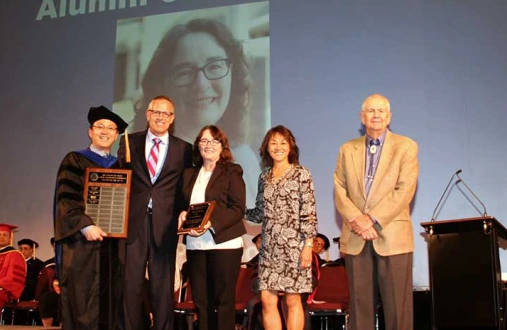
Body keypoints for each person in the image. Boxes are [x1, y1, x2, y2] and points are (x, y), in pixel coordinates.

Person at [131, 18, 261, 208]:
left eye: (215, 66)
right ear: (163, 83)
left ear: (233, 75)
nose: (201, 85)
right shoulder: (143, 160)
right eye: (184, 72)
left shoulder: (244, 159)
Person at [334, 93, 419, 330]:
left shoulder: (406, 146)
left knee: (397, 311)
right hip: (356, 237)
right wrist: (357, 221)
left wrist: (370, 219)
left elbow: (404, 190)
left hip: (393, 237)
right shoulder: (346, 149)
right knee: (360, 309)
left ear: (389, 116)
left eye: (381, 111)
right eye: (370, 111)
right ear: (362, 117)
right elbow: (340, 189)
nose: (376, 116)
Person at [117, 95, 193, 330]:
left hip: (166, 224)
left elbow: (185, 188)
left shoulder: (184, 148)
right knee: (130, 284)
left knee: (162, 285)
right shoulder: (129, 141)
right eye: (156, 112)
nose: (161, 117)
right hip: (133, 222)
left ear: (172, 118)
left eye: (166, 114)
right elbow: (121, 180)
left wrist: (184, 212)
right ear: (147, 114)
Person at [53, 105, 128, 330]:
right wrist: (86, 225)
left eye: (111, 128)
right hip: (82, 246)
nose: (105, 131)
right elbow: (65, 199)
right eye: (100, 127)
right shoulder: (74, 160)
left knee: (111, 301)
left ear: (116, 135)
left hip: (112, 246)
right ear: (90, 131)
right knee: (83, 301)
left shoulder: (120, 166)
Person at [245, 125, 318, 330]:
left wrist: (308, 246)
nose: (278, 147)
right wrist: (235, 209)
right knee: (268, 301)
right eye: (273, 143)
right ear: (267, 147)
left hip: (295, 247)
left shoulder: (302, 174)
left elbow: (309, 212)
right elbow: (259, 213)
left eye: (283, 143)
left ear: (290, 147)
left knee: (293, 301)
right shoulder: (264, 177)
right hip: (269, 249)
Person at [178, 125, 246, 330]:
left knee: (223, 303)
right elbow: (183, 204)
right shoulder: (189, 173)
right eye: (204, 141)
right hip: (195, 246)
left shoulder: (232, 171)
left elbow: (237, 209)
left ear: (222, 146)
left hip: (225, 245)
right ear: (197, 145)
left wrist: (211, 224)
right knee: (201, 303)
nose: (209, 145)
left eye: (214, 141)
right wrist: (182, 214)